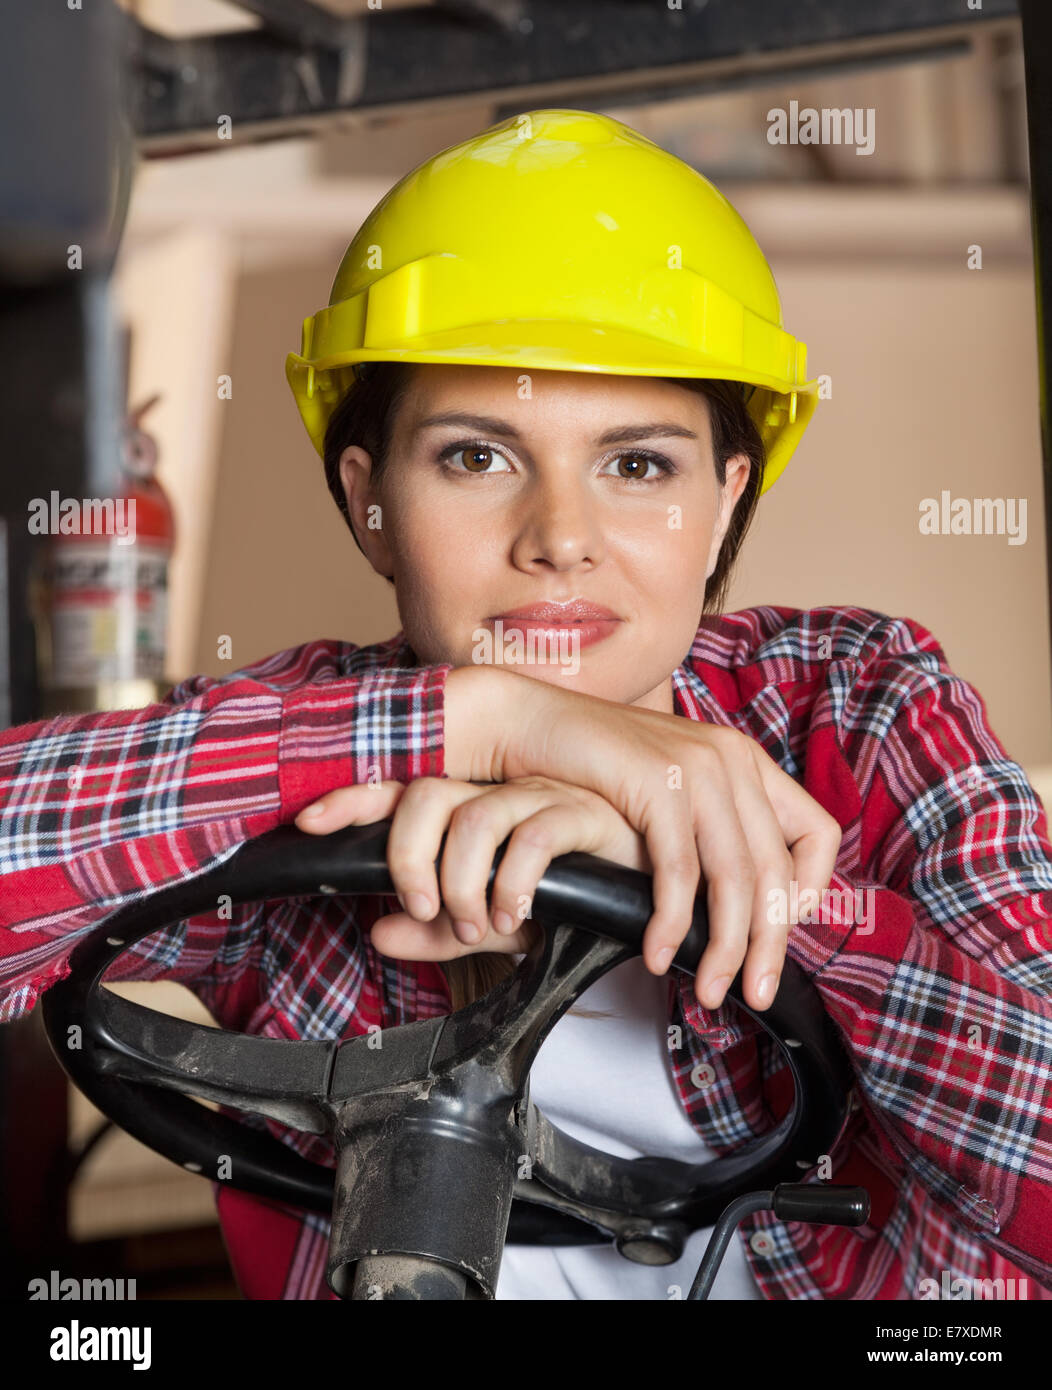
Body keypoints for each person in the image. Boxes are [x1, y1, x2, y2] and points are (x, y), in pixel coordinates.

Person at [2, 108, 1051, 1301]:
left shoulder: (859, 706)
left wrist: (731, 879)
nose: (559, 539)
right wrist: (488, 725)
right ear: (369, 501)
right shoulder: (312, 754)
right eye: (476, 456)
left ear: (723, 501)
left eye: (637, 463)